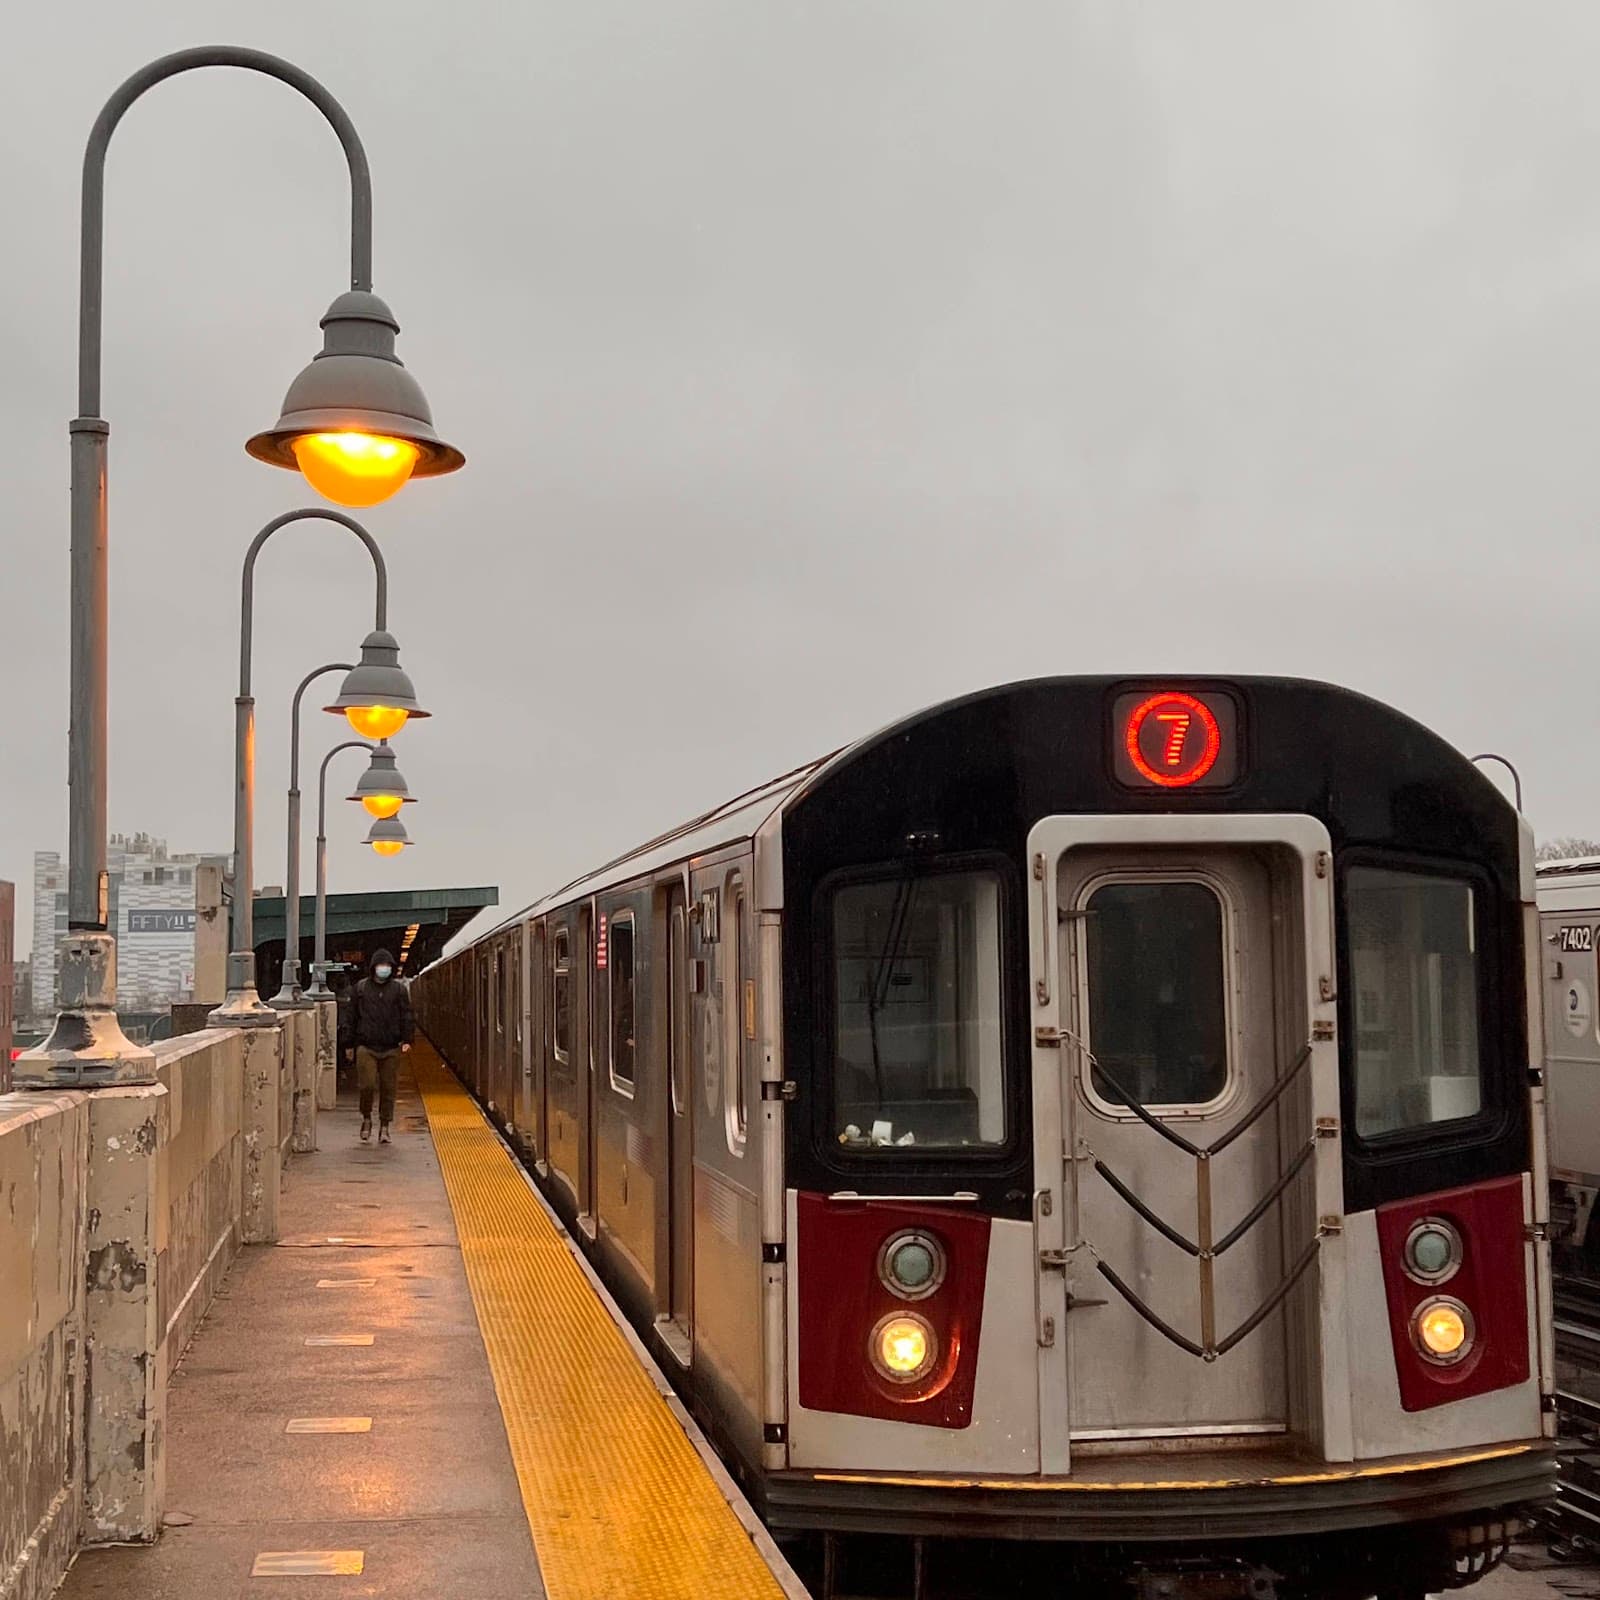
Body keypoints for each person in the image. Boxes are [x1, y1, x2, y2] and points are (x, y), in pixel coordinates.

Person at [353, 948, 413, 1144]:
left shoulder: (399, 990)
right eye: (381, 966)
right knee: (367, 1085)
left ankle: (385, 1126)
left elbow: (407, 1016)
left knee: (389, 1088)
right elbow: (351, 1016)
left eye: (387, 966)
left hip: (391, 1047)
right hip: (366, 1046)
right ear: (373, 968)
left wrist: (407, 1039)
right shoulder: (361, 989)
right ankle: (366, 1118)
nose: (384, 969)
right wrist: (348, 1043)